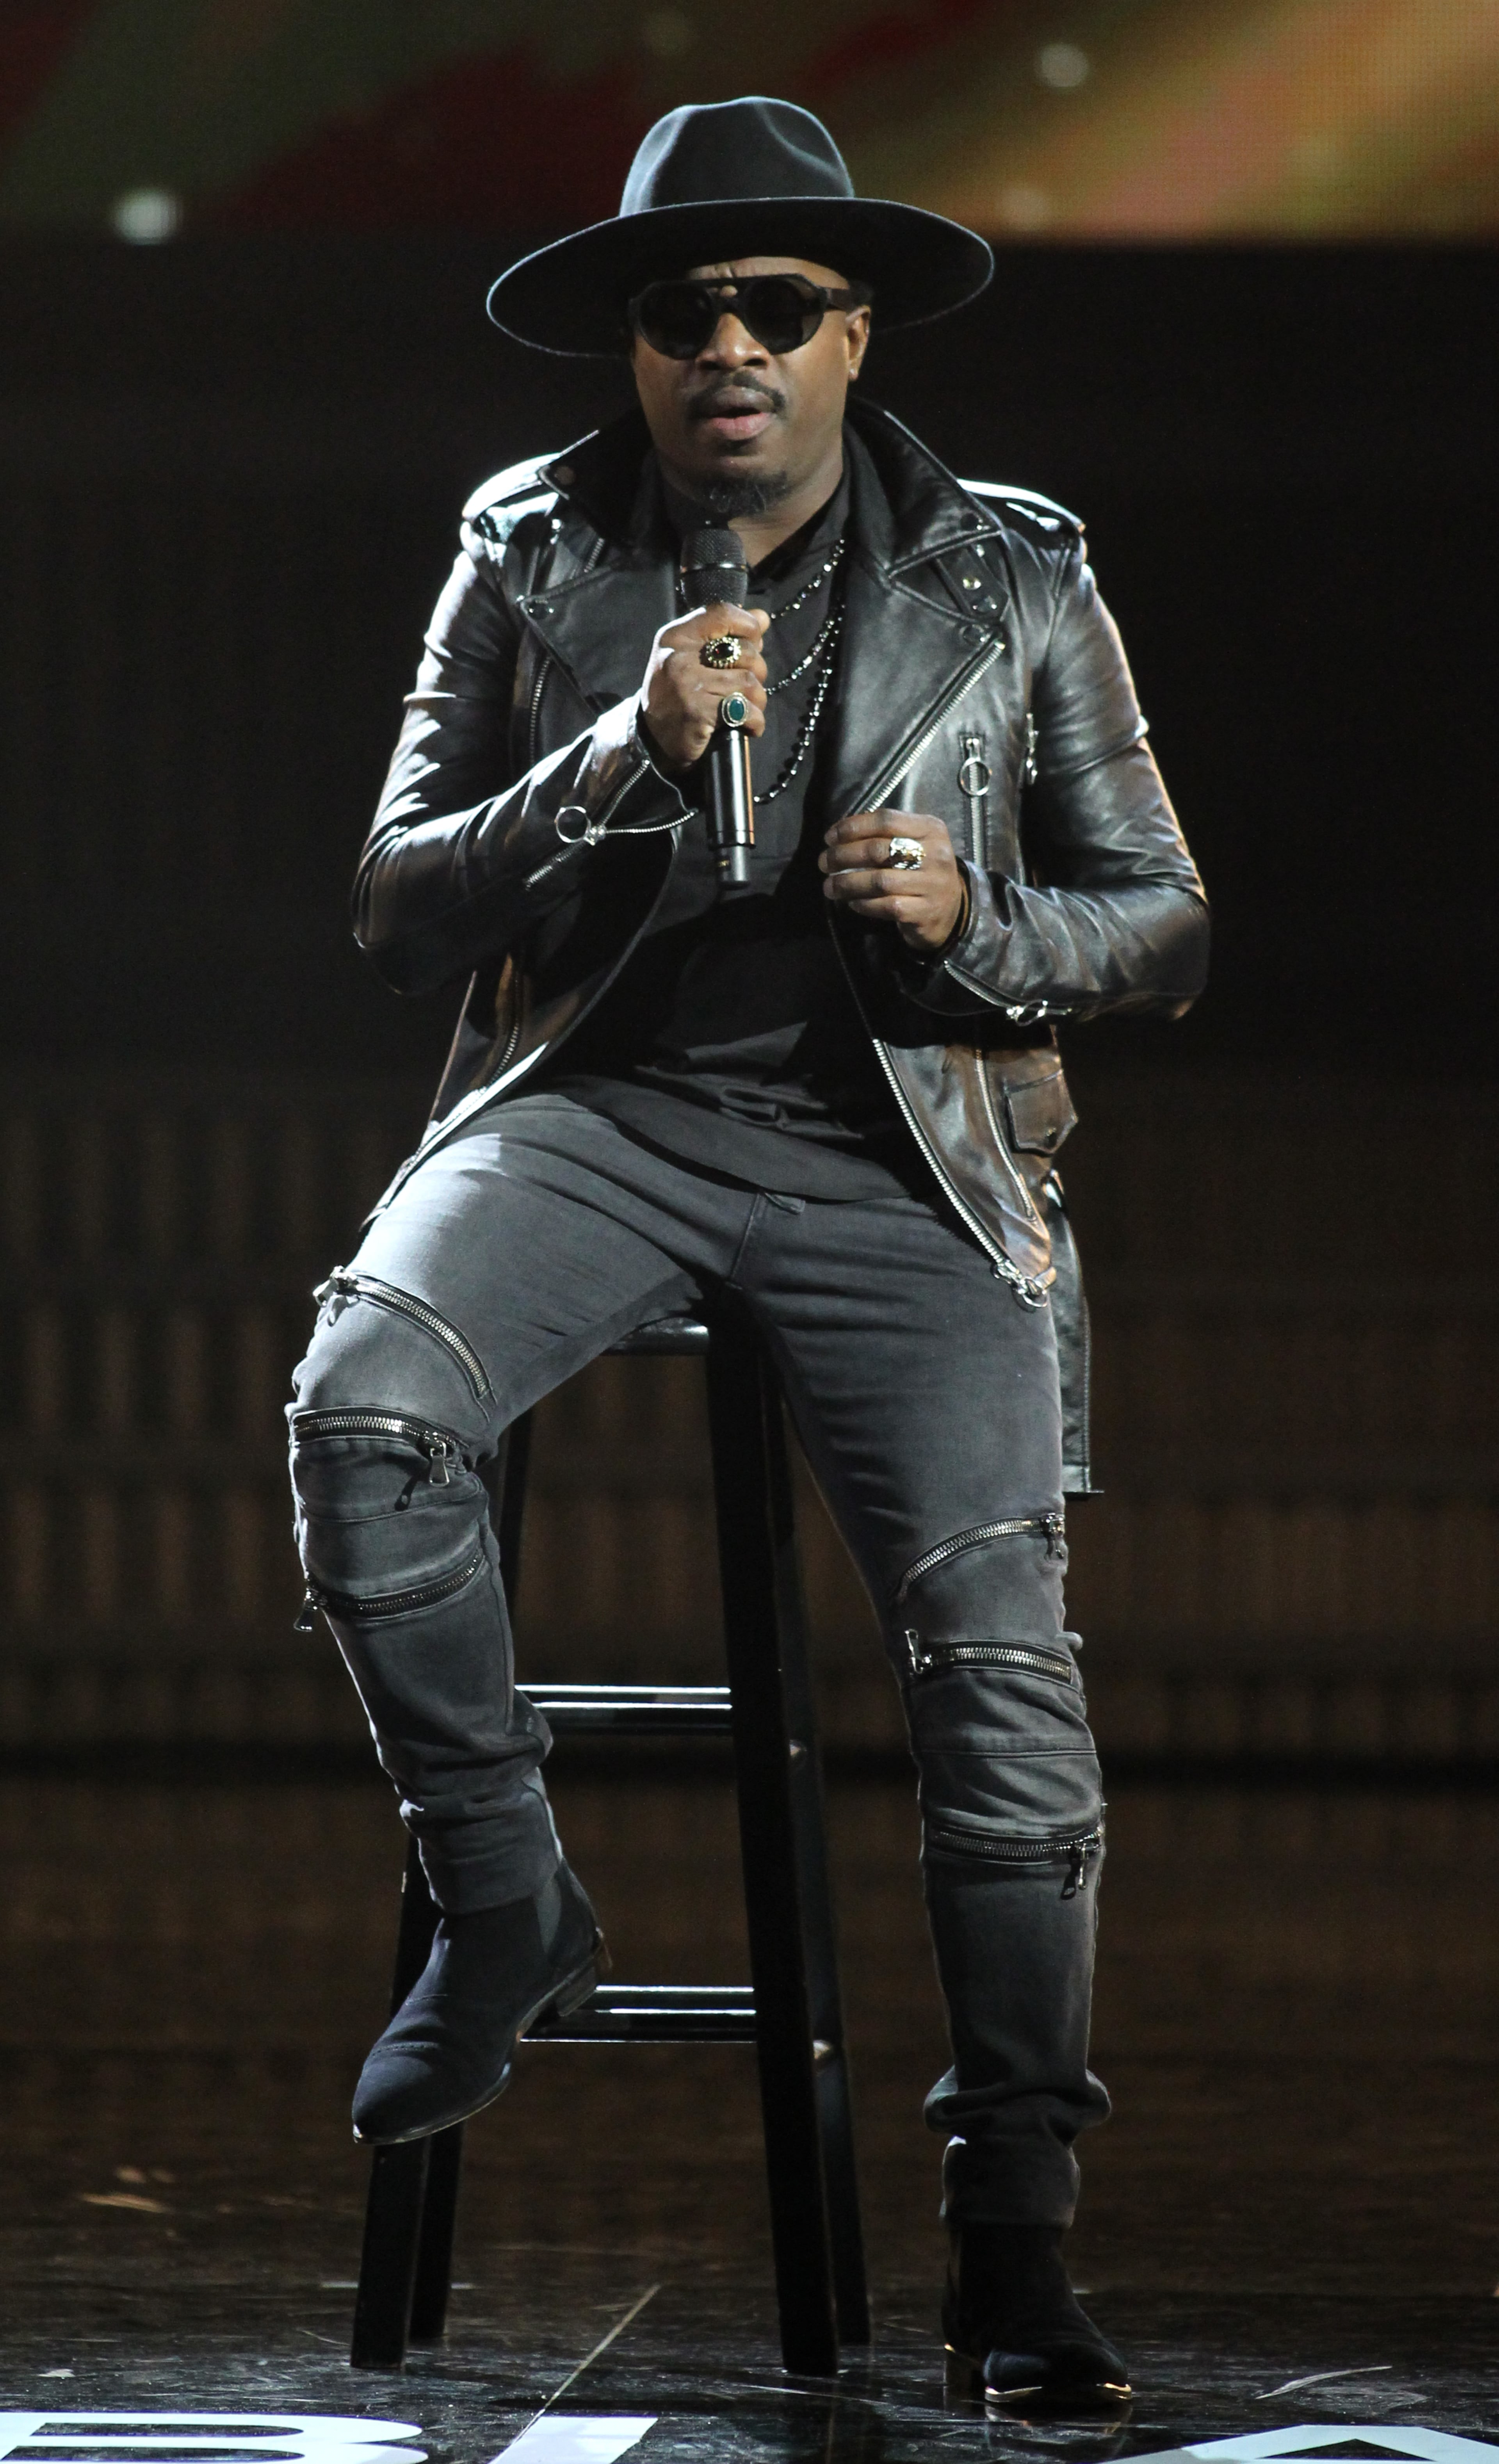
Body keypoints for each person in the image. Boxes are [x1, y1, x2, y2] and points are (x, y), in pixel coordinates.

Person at [287, 95, 1207, 2407]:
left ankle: (1015, 2239)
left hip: (906, 1156)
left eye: (777, 311)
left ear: (850, 338)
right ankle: (509, 1904)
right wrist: (609, 752)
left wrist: (979, 917)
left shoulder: (1008, 569)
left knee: (1003, 1682)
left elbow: (1170, 924)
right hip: (600, 1117)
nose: (730, 349)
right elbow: (399, 909)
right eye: (685, 312)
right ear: (633, 351)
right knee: (358, 1407)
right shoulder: (530, 551)